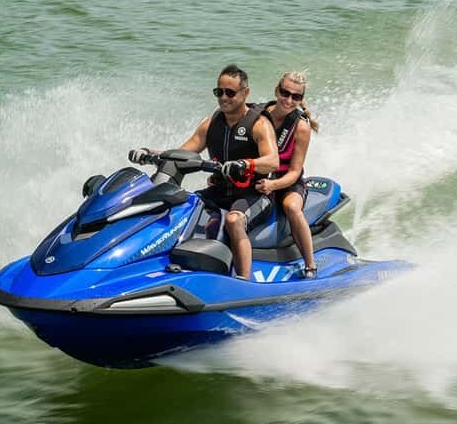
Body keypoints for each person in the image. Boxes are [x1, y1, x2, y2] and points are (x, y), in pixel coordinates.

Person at [129, 64, 279, 280]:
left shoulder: (259, 124)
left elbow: (272, 161)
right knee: (183, 207)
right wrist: (149, 154)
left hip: (253, 194)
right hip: (220, 191)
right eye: (219, 92)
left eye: (230, 93)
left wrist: (245, 164)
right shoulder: (211, 125)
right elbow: (181, 154)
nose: (223, 98)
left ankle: (243, 281)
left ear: (245, 93)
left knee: (234, 221)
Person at [255, 71, 320, 278]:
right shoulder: (258, 115)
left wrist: (273, 186)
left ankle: (310, 265)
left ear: (301, 99)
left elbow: (295, 172)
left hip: (287, 182)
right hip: (258, 177)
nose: (289, 100)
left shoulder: (301, 127)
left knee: (291, 207)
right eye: (285, 93)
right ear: (277, 90)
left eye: (296, 96)